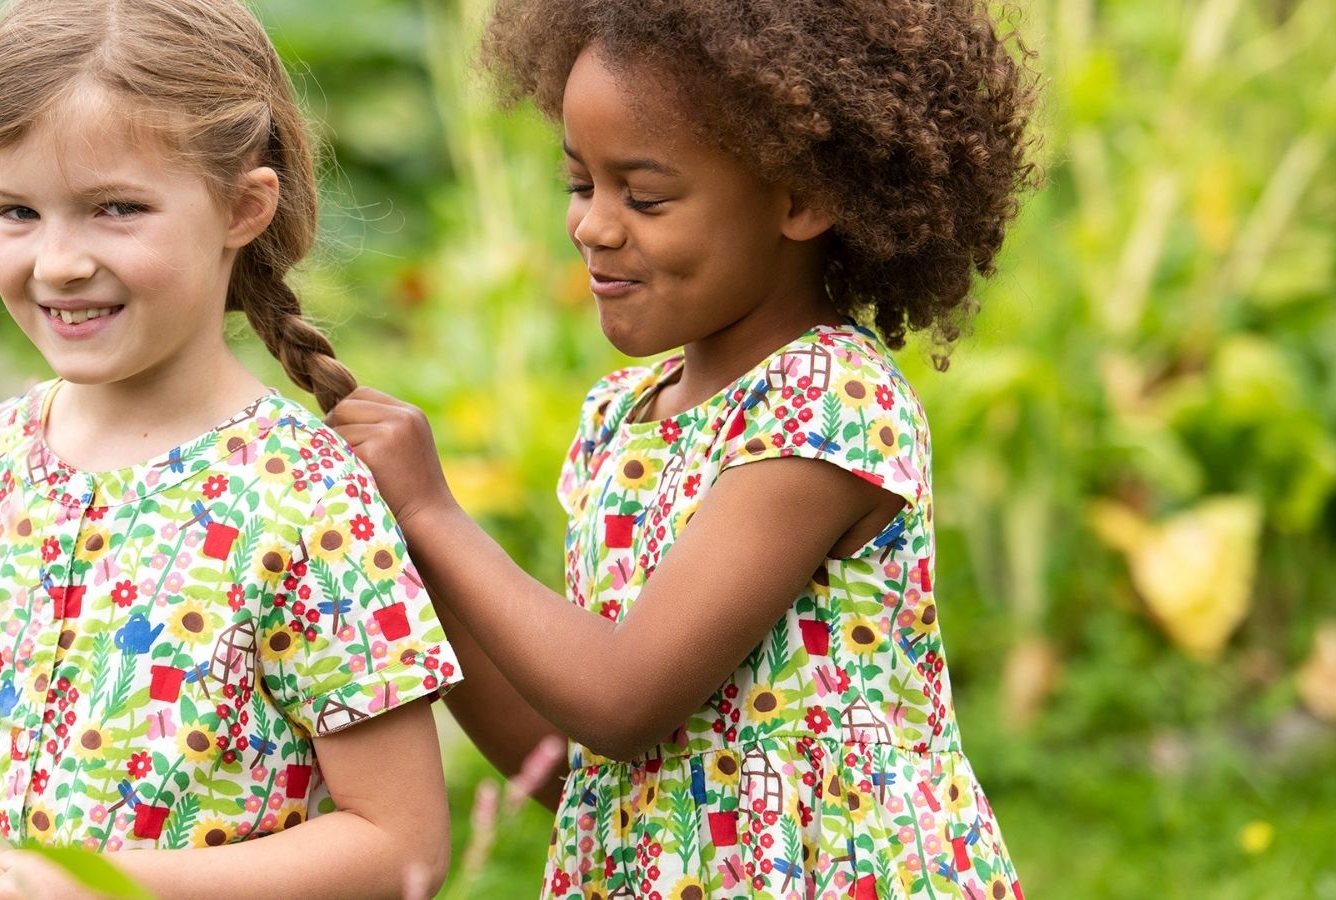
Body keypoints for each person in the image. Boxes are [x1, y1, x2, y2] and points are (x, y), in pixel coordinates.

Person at [328, 1, 1038, 896]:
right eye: (581, 185)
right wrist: (413, 562)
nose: (593, 226)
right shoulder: (624, 418)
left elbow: (621, 701)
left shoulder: (827, 408)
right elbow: (571, 762)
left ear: (802, 198)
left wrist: (433, 513)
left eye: (646, 195)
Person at [0, 1, 462, 895]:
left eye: (115, 208)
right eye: (18, 210)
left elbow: (401, 843)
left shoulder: (304, 496)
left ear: (242, 208)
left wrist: (98, 886)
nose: (58, 261)